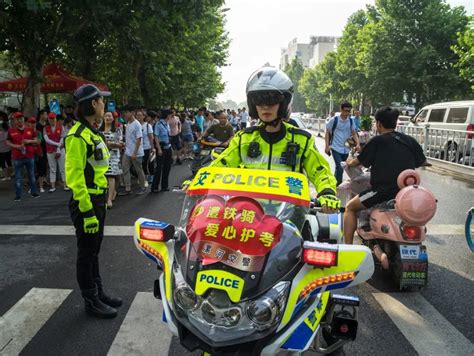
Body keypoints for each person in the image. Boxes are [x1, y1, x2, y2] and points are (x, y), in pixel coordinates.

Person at [209, 67, 340, 214]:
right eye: (259, 100)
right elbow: (222, 164)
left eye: (271, 100)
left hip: (290, 214)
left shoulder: (301, 139)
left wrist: (327, 191)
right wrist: (200, 180)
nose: (265, 106)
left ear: (284, 103)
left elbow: (320, 170)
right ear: (253, 105)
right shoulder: (243, 139)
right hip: (249, 214)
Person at [65, 84, 121, 318]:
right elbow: (74, 177)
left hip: (98, 199)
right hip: (85, 201)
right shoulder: (77, 136)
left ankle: (98, 292)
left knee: (94, 250)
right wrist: (87, 212)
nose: (104, 104)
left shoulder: (92, 132)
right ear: (92, 104)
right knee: (86, 253)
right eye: (101, 101)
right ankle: (91, 300)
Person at [343, 107, 427, 245]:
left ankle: (348, 247)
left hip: (382, 191)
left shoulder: (377, 141)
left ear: (379, 123)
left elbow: (358, 162)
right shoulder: (409, 140)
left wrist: (348, 162)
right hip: (407, 194)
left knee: (350, 207)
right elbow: (423, 161)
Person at [325, 102, 361, 186]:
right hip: (335, 148)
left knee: (340, 168)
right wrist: (327, 146)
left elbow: (354, 133)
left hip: (346, 149)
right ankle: (338, 186)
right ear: (341, 109)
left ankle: (333, 184)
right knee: (340, 167)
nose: (347, 113)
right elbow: (327, 133)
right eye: (345, 111)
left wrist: (358, 144)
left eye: (349, 111)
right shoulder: (334, 120)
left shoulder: (351, 121)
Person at [7, 112, 40, 201]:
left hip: (29, 156)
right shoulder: (11, 131)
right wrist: (16, 146)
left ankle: (34, 193)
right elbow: (8, 142)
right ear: (14, 121)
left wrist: (28, 141)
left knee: (32, 175)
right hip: (17, 157)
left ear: (23, 119)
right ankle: (18, 195)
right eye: (17, 119)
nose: (20, 120)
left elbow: (36, 140)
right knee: (18, 177)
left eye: (21, 118)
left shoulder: (30, 129)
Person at [120, 106, 147, 195]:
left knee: (139, 170)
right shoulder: (128, 123)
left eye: (127, 112)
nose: (125, 114)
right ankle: (128, 189)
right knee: (124, 168)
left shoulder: (137, 124)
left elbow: (139, 139)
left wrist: (135, 153)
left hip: (137, 153)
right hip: (128, 151)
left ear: (132, 113)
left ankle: (143, 187)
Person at [99, 111, 124, 208]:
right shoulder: (99, 130)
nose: (108, 117)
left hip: (113, 156)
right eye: (106, 116)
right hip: (102, 156)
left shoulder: (117, 130)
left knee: (111, 176)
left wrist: (110, 144)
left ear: (113, 118)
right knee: (105, 177)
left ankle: (109, 200)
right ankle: (111, 193)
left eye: (110, 116)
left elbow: (121, 144)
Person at [44, 112, 68, 192]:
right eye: (50, 119)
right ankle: (53, 186)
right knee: (52, 168)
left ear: (55, 119)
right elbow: (47, 140)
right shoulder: (45, 128)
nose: (52, 120)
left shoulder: (61, 127)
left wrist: (58, 148)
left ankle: (65, 185)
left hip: (60, 150)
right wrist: (57, 144)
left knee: (63, 168)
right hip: (50, 150)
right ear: (48, 119)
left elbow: (62, 137)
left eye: (53, 118)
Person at [151, 109, 173, 193]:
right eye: (170, 114)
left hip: (168, 147)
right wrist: (159, 148)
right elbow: (156, 137)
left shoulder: (167, 124)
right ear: (167, 115)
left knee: (167, 167)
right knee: (159, 168)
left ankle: (164, 186)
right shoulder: (158, 124)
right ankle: (155, 187)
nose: (171, 116)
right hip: (161, 148)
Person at [136, 109, 154, 184]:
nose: (138, 116)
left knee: (145, 163)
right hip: (138, 148)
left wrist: (153, 148)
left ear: (144, 116)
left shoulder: (147, 125)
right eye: (137, 115)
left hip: (146, 147)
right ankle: (141, 177)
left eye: (140, 115)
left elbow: (151, 137)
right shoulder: (135, 125)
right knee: (138, 165)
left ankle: (146, 178)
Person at [35, 110, 49, 192]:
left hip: (49, 147)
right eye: (44, 114)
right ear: (40, 115)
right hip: (40, 148)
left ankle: (44, 180)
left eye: (46, 114)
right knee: (40, 165)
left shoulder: (47, 125)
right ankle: (39, 183)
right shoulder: (37, 125)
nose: (46, 115)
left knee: (46, 165)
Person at [0, 112, 12, 180]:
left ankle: (6, 176)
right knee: (9, 162)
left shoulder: (1, 133)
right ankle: (9, 175)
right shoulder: (9, 132)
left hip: (1, 151)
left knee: (2, 163)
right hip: (8, 150)